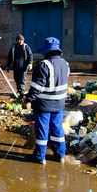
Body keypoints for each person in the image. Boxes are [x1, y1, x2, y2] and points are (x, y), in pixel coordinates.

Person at [24, 37, 70, 165]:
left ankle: (40, 157)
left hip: (44, 105)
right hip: (59, 104)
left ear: (46, 51)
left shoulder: (44, 65)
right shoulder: (65, 64)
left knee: (42, 130)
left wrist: (28, 99)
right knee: (57, 129)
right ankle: (60, 155)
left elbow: (37, 87)